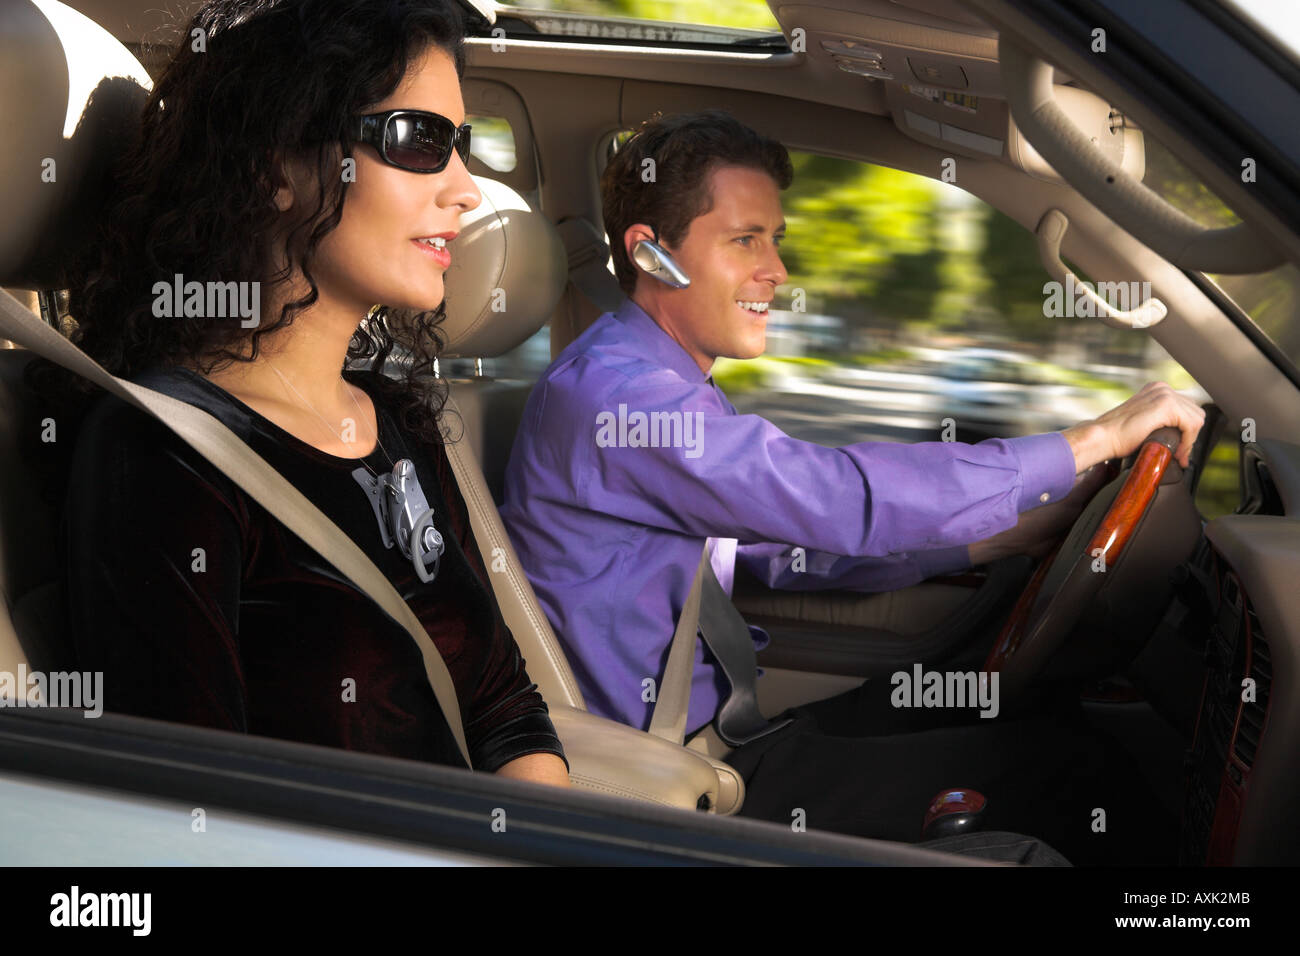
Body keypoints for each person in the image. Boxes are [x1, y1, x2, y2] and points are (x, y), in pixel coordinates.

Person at [500, 109, 1207, 859]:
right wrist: (1090, 442)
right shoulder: (617, 398)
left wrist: (991, 540)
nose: (777, 271)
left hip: (730, 735)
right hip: (686, 779)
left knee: (1028, 726)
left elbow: (768, 549)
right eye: (745, 240)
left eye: (776, 240)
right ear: (651, 255)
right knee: (1072, 776)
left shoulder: (662, 381)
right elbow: (837, 498)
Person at [32, 0, 569, 786]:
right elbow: (195, 810)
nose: (466, 190)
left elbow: (504, 710)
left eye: (462, 145)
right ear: (275, 166)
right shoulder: (159, 453)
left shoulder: (398, 422)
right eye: (420, 140)